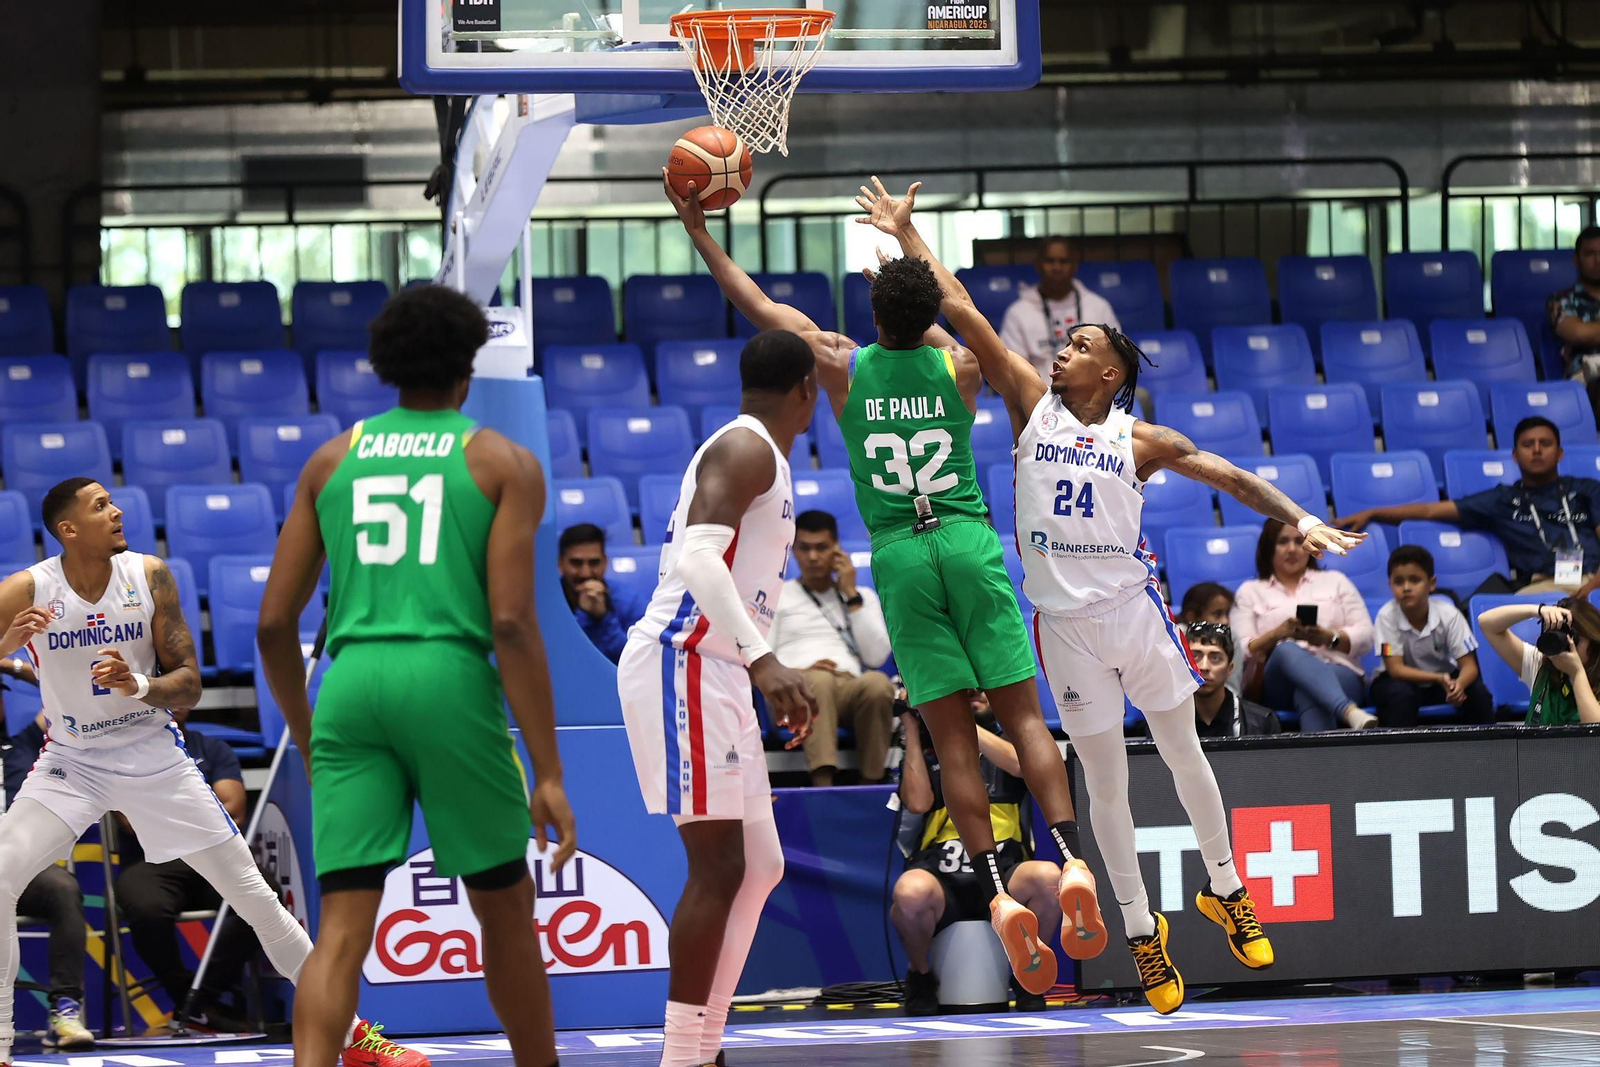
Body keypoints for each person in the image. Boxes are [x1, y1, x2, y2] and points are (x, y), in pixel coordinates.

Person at [856, 176, 1364, 1014]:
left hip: (1132, 612)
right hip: (1063, 628)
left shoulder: (1141, 437)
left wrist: (1301, 516)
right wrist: (908, 238)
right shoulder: (1029, 402)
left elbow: (1228, 474)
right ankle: (1139, 930)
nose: (1062, 349)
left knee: (1183, 752)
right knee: (1106, 783)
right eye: (1063, 341)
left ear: (1112, 370)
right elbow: (962, 306)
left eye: (1080, 344)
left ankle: (1226, 887)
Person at [668, 169, 1106, 1002]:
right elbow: (958, 309)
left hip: (900, 554)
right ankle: (1073, 858)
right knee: (1022, 714)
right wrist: (908, 246)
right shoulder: (962, 367)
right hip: (967, 537)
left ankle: (999, 890)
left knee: (952, 741)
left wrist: (699, 231)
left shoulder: (840, 363)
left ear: (872, 314)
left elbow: (758, 307)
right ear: (925, 315)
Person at [0, 478, 428, 1067]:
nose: (117, 510)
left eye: (113, 501)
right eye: (101, 506)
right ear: (68, 529)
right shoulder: (28, 587)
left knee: (255, 899)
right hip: (72, 762)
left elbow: (190, 684)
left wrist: (138, 684)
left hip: (154, 758)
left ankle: (355, 1038)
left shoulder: (149, 575)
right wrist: (6, 639)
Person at [257, 285, 573, 1067]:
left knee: (340, 929)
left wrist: (306, 730)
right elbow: (511, 621)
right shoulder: (502, 461)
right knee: (505, 908)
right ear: (468, 366)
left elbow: (272, 623)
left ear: (386, 365)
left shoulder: (331, 460)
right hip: (447, 680)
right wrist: (549, 769)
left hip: (350, 685)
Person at [616, 329, 819, 1067]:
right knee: (720, 866)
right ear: (805, 391)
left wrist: (757, 663)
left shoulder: (762, 452)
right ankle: (684, 1057)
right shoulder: (746, 447)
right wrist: (765, 660)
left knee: (760, 865)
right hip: (684, 658)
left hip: (719, 665)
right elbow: (699, 556)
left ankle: (703, 1046)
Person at [114, 706, 288, 1031]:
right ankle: (189, 999)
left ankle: (199, 1000)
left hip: (211, 855)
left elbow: (234, 811)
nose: (175, 701)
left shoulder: (212, 748)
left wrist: (165, 812)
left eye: (180, 692)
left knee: (267, 895)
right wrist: (198, 813)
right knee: (147, 910)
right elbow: (131, 821)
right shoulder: (124, 752)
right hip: (152, 862)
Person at [893, 691, 1061, 1015]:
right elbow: (916, 802)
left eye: (978, 688)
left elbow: (1020, 765)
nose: (972, 694)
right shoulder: (931, 747)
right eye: (963, 690)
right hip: (942, 875)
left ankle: (1029, 976)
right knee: (909, 892)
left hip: (1004, 872)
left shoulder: (1011, 743)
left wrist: (957, 720)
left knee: (1049, 878)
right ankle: (920, 975)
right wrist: (911, 726)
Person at [1336, 416, 1600, 597]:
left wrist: (1592, 588)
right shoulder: (1502, 500)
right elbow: (1430, 511)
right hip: (1544, 587)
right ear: (1514, 455)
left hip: (1594, 579)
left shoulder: (1587, 490)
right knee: (1508, 614)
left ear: (1560, 453)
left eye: (1546, 443)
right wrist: (1373, 512)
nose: (1537, 450)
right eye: (1528, 444)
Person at [768, 510, 895, 786]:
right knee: (819, 680)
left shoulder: (861, 597)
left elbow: (876, 657)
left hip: (848, 685)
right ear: (793, 550)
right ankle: (823, 786)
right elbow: (763, 658)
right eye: (805, 548)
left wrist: (851, 595)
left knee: (877, 683)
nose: (813, 557)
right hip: (796, 688)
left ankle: (870, 785)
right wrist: (799, 671)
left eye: (822, 548)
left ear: (836, 549)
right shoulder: (777, 596)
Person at [0, 691, 93, 1051]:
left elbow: (66, 697)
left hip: (22, 866)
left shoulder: (23, 745)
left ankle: (65, 1011)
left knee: (62, 888)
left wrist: (11, 664)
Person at [1232, 518, 1377, 732]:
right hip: (1279, 681)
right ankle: (1347, 710)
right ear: (1269, 547)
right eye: (1283, 541)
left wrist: (1330, 638)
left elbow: (1366, 635)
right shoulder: (1250, 591)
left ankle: (1323, 753)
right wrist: (1276, 635)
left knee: (1310, 693)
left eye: (1299, 541)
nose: (1292, 549)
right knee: (1286, 648)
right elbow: (1239, 648)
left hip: (1339, 672)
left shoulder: (1336, 581)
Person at [1370, 545, 1495, 728]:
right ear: (1390, 585)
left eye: (1415, 580)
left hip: (1443, 681)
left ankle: (1489, 744)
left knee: (1478, 693)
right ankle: (1397, 747)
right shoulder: (1386, 616)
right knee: (1400, 695)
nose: (1406, 588)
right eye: (1398, 581)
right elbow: (1396, 670)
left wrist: (1458, 685)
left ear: (1432, 583)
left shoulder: (1449, 614)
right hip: (1400, 681)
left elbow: (1469, 666)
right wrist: (1437, 678)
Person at [997, 236, 1121, 380]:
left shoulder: (1099, 307)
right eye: (1050, 261)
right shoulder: (1018, 313)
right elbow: (1012, 368)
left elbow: (1115, 359)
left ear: (1074, 265)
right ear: (1038, 265)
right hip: (1039, 391)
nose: (1057, 268)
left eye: (1064, 261)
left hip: (1093, 391)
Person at [1478, 599, 1600, 725]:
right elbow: (1486, 623)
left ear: (1594, 640)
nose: (1564, 645)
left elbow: (1595, 731)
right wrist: (1537, 610)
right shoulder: (1540, 663)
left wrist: (1576, 674)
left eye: (1573, 638)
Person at [557, 522, 646, 664]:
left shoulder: (628, 600)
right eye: (576, 563)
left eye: (594, 563)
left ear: (605, 562)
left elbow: (638, 659)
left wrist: (605, 618)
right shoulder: (545, 603)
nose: (586, 573)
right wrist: (583, 615)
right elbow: (560, 658)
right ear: (560, 563)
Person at [1180, 623, 1281, 738]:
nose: (1204, 667)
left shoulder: (1263, 722)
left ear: (1229, 669)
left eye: (1215, 658)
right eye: (1194, 657)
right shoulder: (1166, 721)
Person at [1548, 226, 1600, 396]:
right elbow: (1579, 334)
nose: (1598, 260)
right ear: (1576, 260)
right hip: (1584, 378)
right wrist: (1588, 333)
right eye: (1590, 254)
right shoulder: (1561, 299)